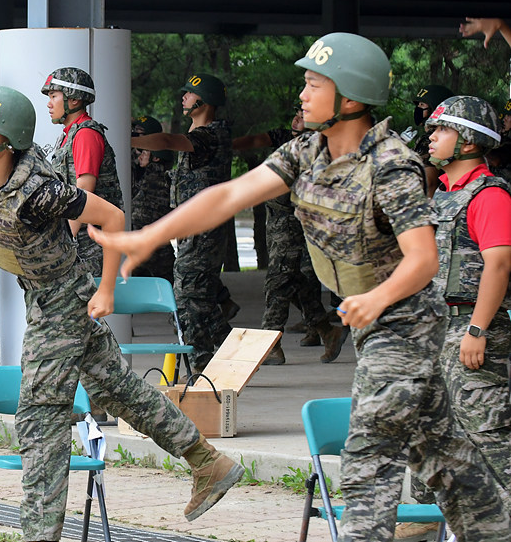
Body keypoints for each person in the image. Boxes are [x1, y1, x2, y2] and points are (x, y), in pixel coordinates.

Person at [91, 33, 511, 542]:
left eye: (314, 84)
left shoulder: (393, 164)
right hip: (372, 320)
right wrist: (151, 235)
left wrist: (376, 298)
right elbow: (231, 193)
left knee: (366, 458)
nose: (302, 95)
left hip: (403, 325)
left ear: (351, 98)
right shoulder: (306, 151)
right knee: (445, 454)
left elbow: (422, 259)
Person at [0, 85, 243, 542]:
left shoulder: (41, 190)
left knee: (39, 415)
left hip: (63, 296)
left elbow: (113, 217)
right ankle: (207, 462)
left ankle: (39, 533)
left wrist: (108, 287)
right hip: (40, 293)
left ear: (6, 142)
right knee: (117, 390)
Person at [426, 95, 511, 507]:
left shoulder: (489, 196)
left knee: (489, 436)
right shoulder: (443, 193)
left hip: (472, 330)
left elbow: (498, 266)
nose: (431, 137)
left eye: (442, 130)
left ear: (470, 142)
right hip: (439, 330)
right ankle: (422, 522)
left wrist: (476, 330)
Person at [131, 72, 238, 373]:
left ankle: (202, 369)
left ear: (204, 101)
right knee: (197, 298)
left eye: (189, 94)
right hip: (195, 232)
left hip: (204, 232)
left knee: (187, 301)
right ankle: (233, 351)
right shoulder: (202, 136)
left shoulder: (210, 136)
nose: (183, 98)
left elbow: (167, 140)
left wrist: (129, 138)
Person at [232, 110, 349, 364]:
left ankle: (270, 342)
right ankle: (327, 331)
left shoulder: (321, 147)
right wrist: (225, 145)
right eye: (294, 114)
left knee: (278, 280)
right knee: (296, 282)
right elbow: (254, 141)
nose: (296, 119)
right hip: (275, 219)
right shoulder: (286, 137)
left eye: (302, 115)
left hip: (296, 220)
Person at [42, 67, 124, 276]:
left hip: (87, 245)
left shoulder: (86, 134)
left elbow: (83, 194)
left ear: (74, 100)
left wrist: (65, 242)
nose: (49, 103)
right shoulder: (68, 135)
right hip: (77, 240)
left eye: (54, 96)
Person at [130, 116, 174, 283]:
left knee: (173, 280)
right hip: (146, 239)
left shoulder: (157, 171)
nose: (136, 138)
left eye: (141, 135)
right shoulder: (139, 164)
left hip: (152, 240)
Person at [405, 84, 454, 198]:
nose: (418, 108)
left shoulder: (431, 140)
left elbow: (429, 183)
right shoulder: (431, 137)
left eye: (422, 105)